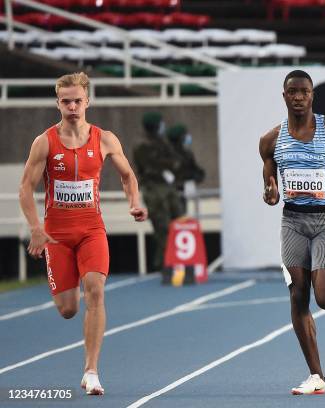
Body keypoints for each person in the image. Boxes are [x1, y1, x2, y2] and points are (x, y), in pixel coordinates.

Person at [18, 72, 148, 396]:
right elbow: (25, 188)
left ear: (87, 101)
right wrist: (36, 229)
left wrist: (135, 202)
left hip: (92, 229)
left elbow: (128, 176)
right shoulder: (44, 142)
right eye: (66, 101)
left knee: (95, 291)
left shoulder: (104, 139)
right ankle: (68, 292)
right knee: (68, 309)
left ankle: (91, 370)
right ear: (58, 103)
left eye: (77, 101)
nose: (72, 107)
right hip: (56, 235)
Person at [259, 70, 325, 395]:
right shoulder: (271, 141)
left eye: (304, 92)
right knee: (297, 295)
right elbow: (270, 184)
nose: (298, 97)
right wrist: (271, 192)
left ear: (311, 96)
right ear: (284, 96)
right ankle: (316, 375)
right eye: (292, 92)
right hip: (292, 222)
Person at [133, 112, 183, 271]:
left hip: (167, 188)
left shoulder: (162, 142)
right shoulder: (143, 145)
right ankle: (165, 265)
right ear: (155, 127)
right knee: (162, 228)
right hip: (154, 189)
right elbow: (153, 166)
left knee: (178, 222)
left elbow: (175, 161)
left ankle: (175, 261)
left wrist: (168, 164)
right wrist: (167, 165)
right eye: (160, 124)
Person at [166, 124, 205, 211]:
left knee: (182, 216)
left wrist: (198, 175)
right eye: (185, 135)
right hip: (170, 194)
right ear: (179, 138)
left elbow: (194, 169)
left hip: (183, 192)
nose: (188, 137)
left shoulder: (187, 153)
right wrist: (190, 175)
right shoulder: (167, 153)